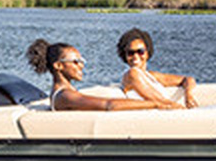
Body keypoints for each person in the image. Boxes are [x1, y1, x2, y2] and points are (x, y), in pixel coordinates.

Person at [25, 38, 174, 111]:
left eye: (81, 61)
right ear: (58, 65)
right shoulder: (64, 95)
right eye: (76, 61)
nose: (81, 65)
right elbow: (109, 105)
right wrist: (156, 104)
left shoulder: (66, 92)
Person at [117, 27, 198, 108]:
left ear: (147, 53)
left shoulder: (151, 76)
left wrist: (188, 94)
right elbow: (162, 101)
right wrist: (174, 106)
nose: (135, 56)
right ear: (125, 55)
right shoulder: (131, 74)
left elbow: (187, 79)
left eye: (140, 52)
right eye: (130, 53)